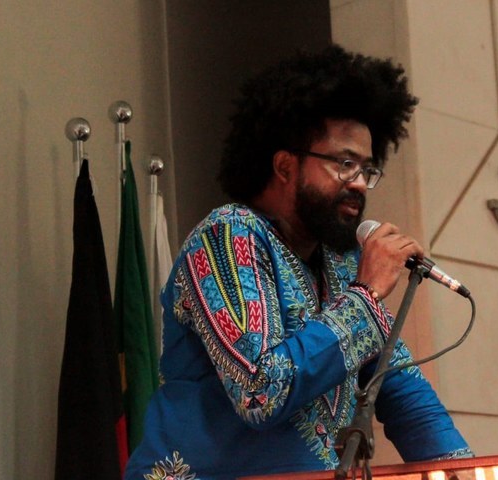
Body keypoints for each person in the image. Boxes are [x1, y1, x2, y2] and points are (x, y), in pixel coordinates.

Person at [124, 45, 472, 480]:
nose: (360, 184)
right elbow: (259, 392)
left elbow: (405, 397)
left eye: (367, 169)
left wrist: (466, 472)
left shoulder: (342, 266)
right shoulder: (227, 236)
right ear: (285, 166)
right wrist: (365, 297)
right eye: (345, 164)